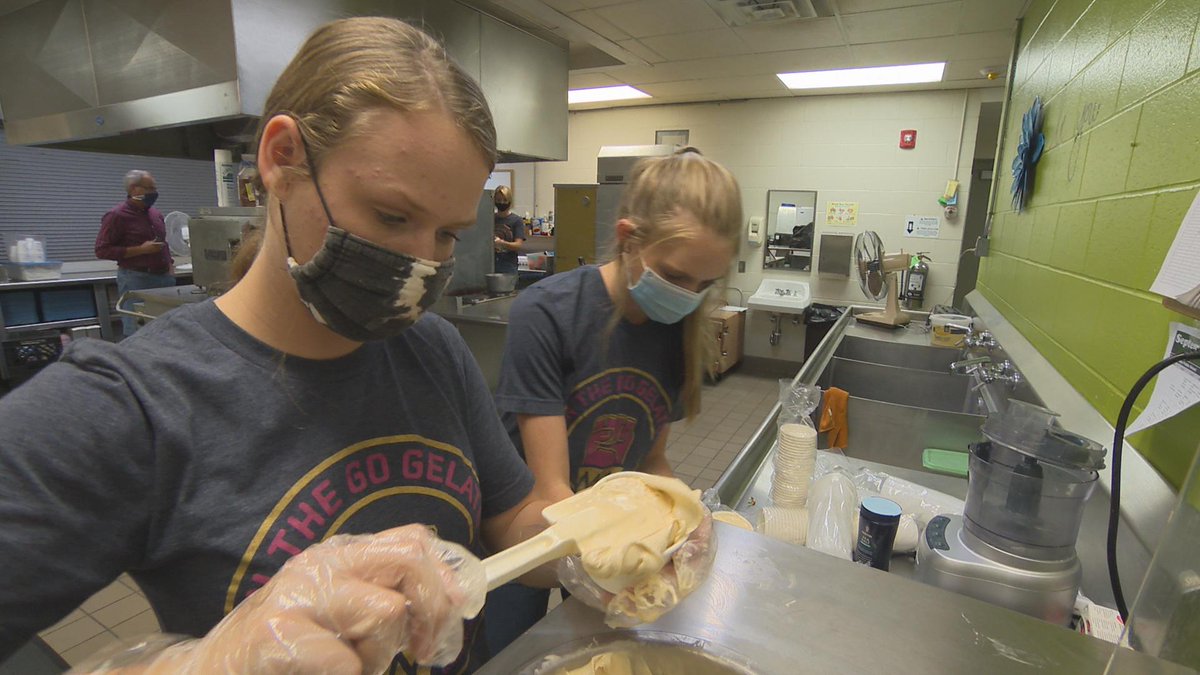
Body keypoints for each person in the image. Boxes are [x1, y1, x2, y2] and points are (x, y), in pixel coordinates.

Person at [0, 18, 562, 675]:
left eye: (446, 236)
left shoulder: (432, 349)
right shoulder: (130, 404)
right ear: (282, 158)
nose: (419, 264)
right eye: (391, 216)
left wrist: (598, 535)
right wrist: (206, 664)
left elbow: (512, 514)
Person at [484, 148, 742, 654]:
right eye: (676, 276)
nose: (689, 297)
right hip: (528, 529)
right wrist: (611, 565)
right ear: (628, 240)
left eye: (705, 284)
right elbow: (550, 491)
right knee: (515, 651)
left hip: (606, 533)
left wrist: (687, 523)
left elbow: (652, 460)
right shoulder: (550, 315)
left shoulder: (677, 330)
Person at [94, 170, 176, 337]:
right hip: (137, 279)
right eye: (149, 188)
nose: (154, 192)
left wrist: (169, 264)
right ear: (134, 189)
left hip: (163, 278)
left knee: (167, 330)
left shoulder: (155, 214)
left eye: (155, 188)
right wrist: (141, 250)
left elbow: (162, 242)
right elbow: (102, 250)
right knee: (138, 329)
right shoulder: (116, 216)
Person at [491, 185, 525, 274]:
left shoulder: (516, 220)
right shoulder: (489, 218)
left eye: (505, 200)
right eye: (498, 200)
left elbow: (518, 245)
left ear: (510, 201)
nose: (501, 203)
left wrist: (501, 243)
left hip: (508, 265)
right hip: (489, 263)